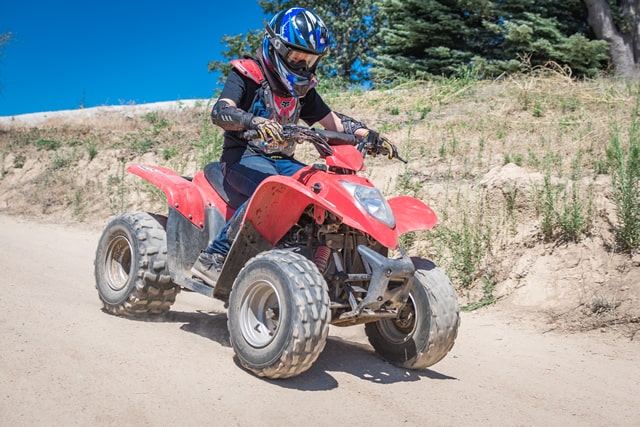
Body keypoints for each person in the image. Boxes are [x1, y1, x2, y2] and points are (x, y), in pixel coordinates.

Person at [191, 7, 388, 285]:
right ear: (277, 49)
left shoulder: (301, 92)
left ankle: (322, 261)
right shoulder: (247, 75)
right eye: (298, 57)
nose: (304, 66)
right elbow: (221, 111)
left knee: (320, 186)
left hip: (281, 160)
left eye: (311, 60)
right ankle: (214, 256)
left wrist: (368, 134)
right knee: (272, 187)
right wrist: (253, 121)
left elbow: (333, 122)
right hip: (242, 158)